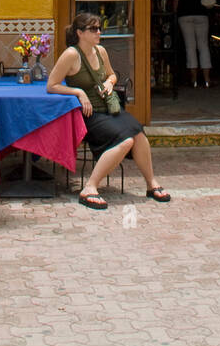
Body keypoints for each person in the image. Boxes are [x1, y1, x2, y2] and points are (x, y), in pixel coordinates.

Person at [47, 12, 170, 209]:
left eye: (99, 28)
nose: (99, 32)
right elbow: (51, 85)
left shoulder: (101, 51)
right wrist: (78, 92)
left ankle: (151, 184)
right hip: (89, 114)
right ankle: (89, 188)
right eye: (93, 29)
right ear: (80, 33)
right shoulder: (71, 54)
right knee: (125, 140)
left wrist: (109, 83)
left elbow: (112, 75)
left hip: (110, 108)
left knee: (138, 134)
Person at [173, 0, 216, 88]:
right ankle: (207, 79)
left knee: (190, 46)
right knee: (203, 45)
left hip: (184, 14)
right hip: (201, 13)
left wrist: (174, 12)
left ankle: (194, 80)